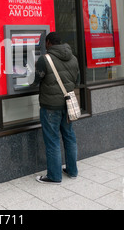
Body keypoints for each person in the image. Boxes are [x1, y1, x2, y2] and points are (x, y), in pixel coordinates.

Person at [30, 32, 80, 184]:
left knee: (52, 140)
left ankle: (54, 176)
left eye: (45, 43)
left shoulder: (44, 60)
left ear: (49, 43)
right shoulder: (73, 58)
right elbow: (76, 81)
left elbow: (35, 80)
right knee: (69, 136)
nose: (44, 46)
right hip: (68, 104)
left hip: (51, 106)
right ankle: (72, 171)